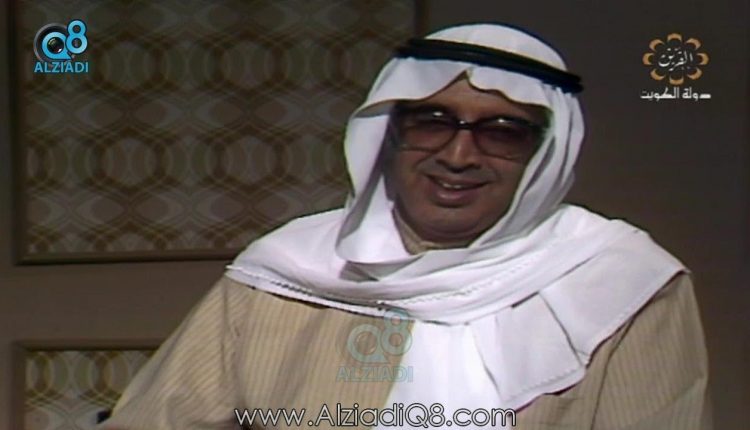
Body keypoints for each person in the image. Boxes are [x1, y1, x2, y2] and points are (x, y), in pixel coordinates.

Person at [100, 23, 711, 429]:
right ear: (390, 133)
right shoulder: (284, 272)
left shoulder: (620, 281)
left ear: (543, 155)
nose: (459, 156)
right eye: (432, 122)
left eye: (502, 132)